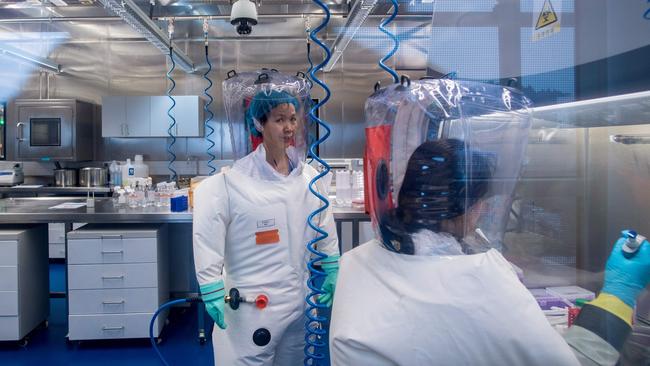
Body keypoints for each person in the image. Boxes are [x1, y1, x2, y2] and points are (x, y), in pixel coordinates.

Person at [329, 139, 650, 366]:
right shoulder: (475, 284)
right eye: (481, 202)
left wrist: (593, 276)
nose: (484, 211)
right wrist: (619, 294)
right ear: (463, 208)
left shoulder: (357, 260)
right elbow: (572, 362)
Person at [193, 88, 340, 365]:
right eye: (279, 119)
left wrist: (331, 262)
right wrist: (210, 284)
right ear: (259, 124)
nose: (289, 128)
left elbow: (323, 220)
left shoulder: (308, 176)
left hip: (299, 301)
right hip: (252, 307)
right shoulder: (232, 182)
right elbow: (207, 233)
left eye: (293, 119)